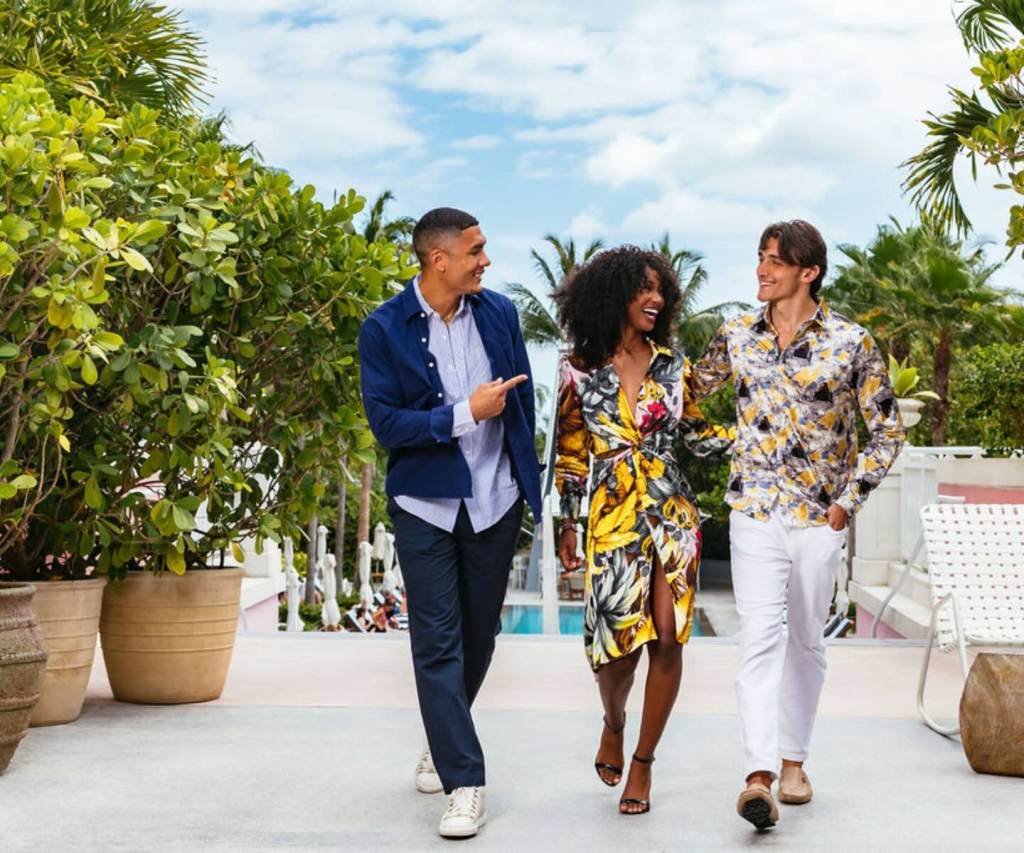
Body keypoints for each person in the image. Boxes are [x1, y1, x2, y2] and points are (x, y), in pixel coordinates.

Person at [688, 220, 905, 830]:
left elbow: (886, 430)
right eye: (759, 257)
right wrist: (730, 447)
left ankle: (793, 761)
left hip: (819, 516)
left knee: (806, 638)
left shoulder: (851, 342)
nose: (761, 270)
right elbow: (682, 398)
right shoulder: (735, 337)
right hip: (754, 510)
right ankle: (757, 775)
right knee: (757, 636)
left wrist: (847, 503)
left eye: (775, 261)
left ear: (808, 272)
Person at [359, 207, 542, 839]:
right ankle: (465, 781)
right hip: (426, 509)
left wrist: (531, 486)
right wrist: (465, 412)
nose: (485, 261)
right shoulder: (382, 329)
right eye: (476, 251)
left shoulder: (499, 314)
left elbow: (523, 406)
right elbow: (387, 426)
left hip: (495, 500)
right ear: (439, 260)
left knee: (482, 632)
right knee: (437, 641)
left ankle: (442, 735)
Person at [553, 246, 732, 815]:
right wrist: (568, 523)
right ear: (614, 295)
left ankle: (643, 763)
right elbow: (571, 454)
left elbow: (698, 434)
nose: (655, 299)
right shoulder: (579, 371)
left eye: (661, 290)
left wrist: (756, 441)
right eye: (643, 289)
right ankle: (613, 721)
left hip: (672, 510)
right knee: (615, 656)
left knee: (668, 635)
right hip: (611, 514)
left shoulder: (672, 368)